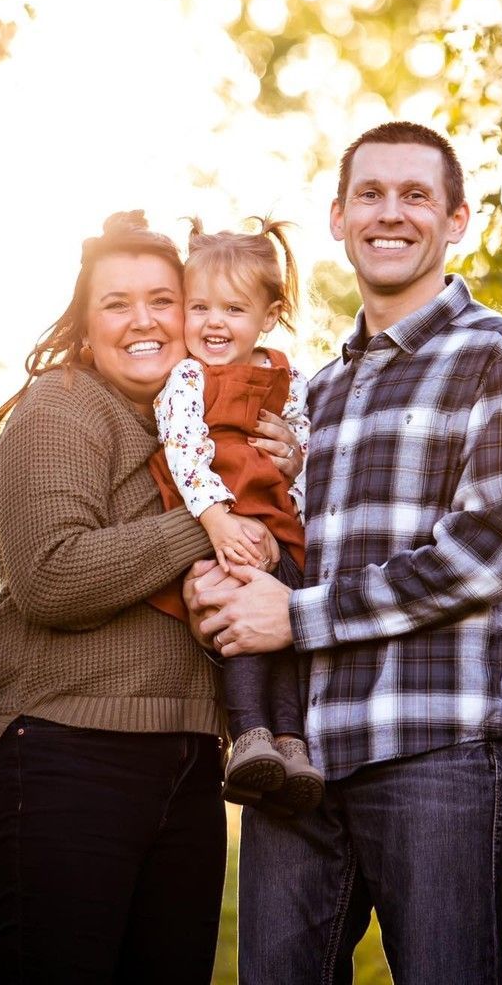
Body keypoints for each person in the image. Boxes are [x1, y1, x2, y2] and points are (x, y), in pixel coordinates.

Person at [185, 121, 502, 984]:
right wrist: (230, 591)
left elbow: (486, 552)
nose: (390, 214)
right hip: (303, 762)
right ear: (338, 217)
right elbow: (288, 550)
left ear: (456, 219)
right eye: (371, 195)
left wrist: (296, 615)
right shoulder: (314, 391)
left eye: (416, 195)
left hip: (440, 745)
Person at [0, 211, 297, 983]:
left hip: (187, 765)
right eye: (116, 303)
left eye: (162, 299)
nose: (143, 320)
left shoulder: (201, 428)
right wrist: (213, 522)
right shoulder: (61, 408)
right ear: (86, 320)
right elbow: (52, 575)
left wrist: (283, 468)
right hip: (57, 750)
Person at [148, 216, 324, 810]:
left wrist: (296, 462)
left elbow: (300, 442)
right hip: (218, 517)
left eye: (232, 309)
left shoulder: (287, 375)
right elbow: (184, 447)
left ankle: (292, 742)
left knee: (289, 625)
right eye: (199, 308)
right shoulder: (186, 377)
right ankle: (249, 736)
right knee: (241, 619)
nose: (213, 323)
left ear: (268, 317)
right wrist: (216, 518)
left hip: (275, 518)